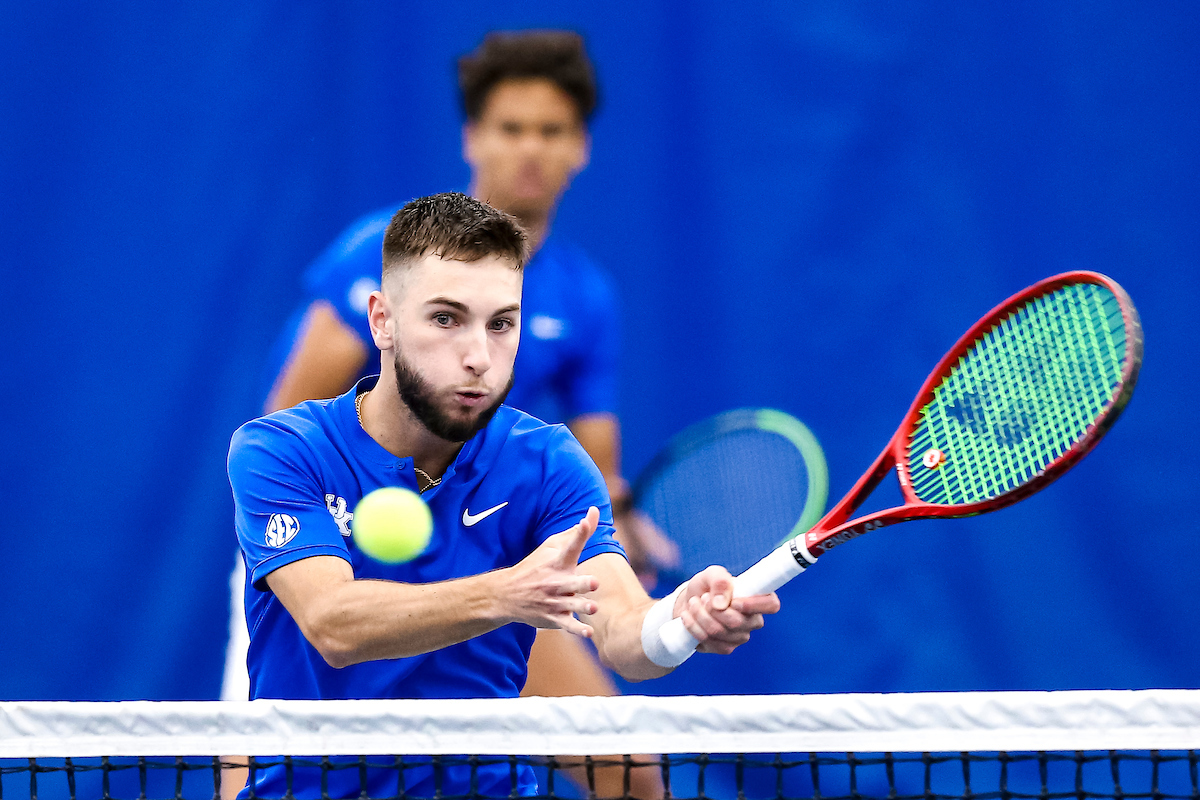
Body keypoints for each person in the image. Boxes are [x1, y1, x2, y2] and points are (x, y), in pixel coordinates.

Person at [221, 30, 674, 799]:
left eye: (551, 130)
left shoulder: (586, 296)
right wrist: (359, 501)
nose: (530, 149)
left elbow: (598, 470)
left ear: (580, 148)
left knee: (627, 770)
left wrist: (625, 535)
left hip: (486, 539)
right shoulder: (386, 250)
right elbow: (292, 408)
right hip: (330, 535)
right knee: (255, 766)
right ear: (473, 138)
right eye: (511, 128)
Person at [226, 193, 780, 799]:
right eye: (446, 319)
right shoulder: (281, 450)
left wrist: (679, 622)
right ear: (381, 321)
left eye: (501, 324)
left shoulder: (547, 463)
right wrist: (505, 594)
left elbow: (624, 633)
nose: (478, 358)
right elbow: (333, 625)